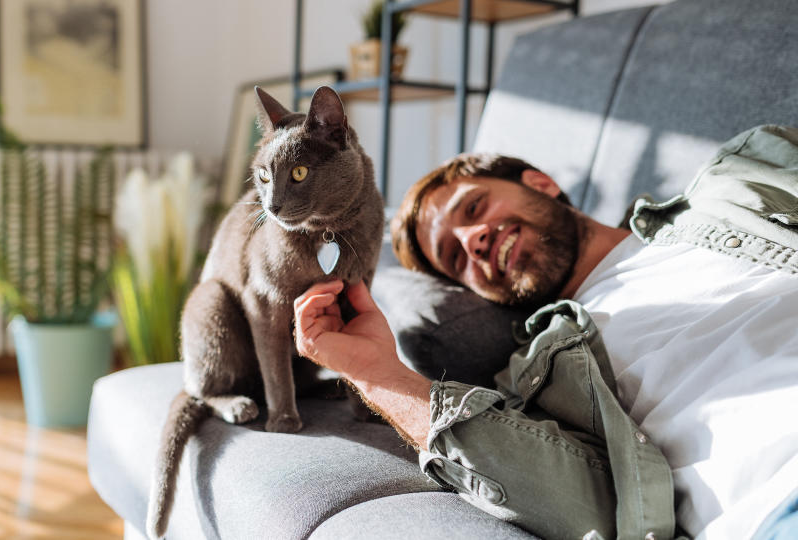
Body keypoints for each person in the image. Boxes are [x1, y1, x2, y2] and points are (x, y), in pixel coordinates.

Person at [294, 125, 798, 540]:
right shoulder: (539, 381)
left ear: (539, 182)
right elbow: (580, 510)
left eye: (473, 209)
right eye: (454, 257)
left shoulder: (732, 183)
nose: (474, 240)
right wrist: (375, 373)